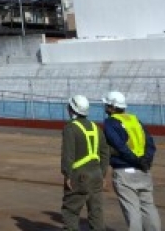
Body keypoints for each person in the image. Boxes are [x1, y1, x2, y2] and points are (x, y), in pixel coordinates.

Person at [103, 90, 162, 231]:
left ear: (112, 107)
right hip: (144, 170)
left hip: (125, 172)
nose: (105, 107)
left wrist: (135, 161)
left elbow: (119, 146)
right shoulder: (136, 120)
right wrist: (145, 161)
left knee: (132, 210)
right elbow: (150, 144)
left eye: (106, 105)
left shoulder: (111, 123)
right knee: (149, 207)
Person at [61, 94, 109, 231]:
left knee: (71, 212)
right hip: (96, 176)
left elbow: (68, 155)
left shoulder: (70, 128)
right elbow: (105, 153)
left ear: (72, 109)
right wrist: (103, 174)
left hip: (79, 176)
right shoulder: (96, 128)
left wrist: (67, 175)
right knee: (96, 214)